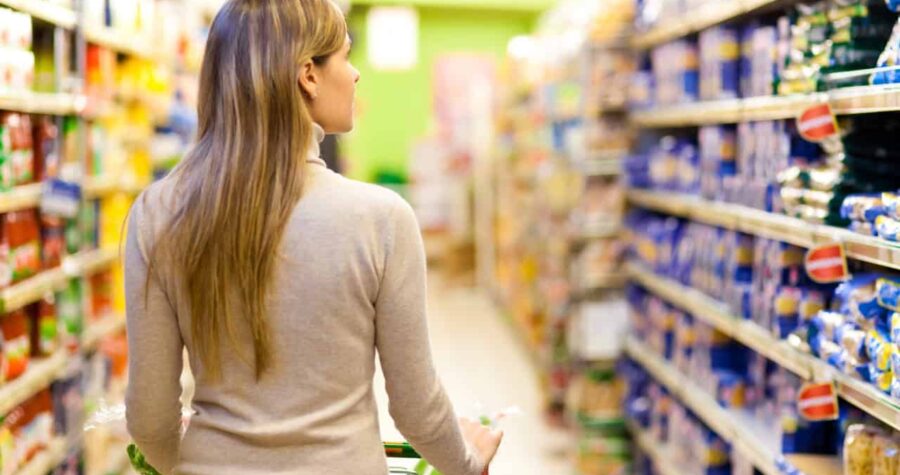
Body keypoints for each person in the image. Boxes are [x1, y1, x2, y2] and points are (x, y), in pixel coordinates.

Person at [123, 1, 503, 474]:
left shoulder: (157, 213)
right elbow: (416, 409)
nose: (356, 74)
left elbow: (149, 415)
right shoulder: (380, 219)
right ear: (309, 74)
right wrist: (468, 464)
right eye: (345, 57)